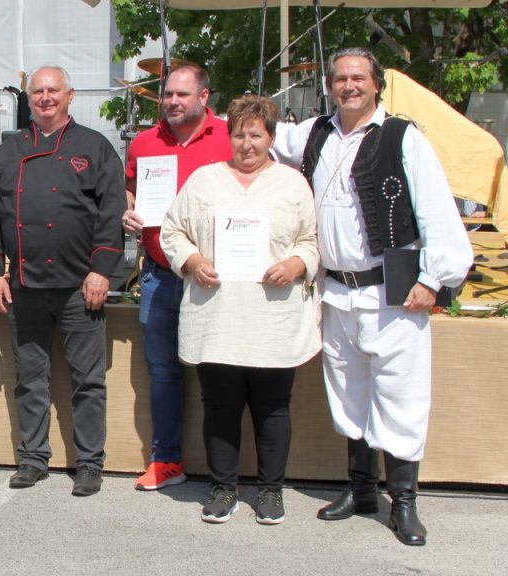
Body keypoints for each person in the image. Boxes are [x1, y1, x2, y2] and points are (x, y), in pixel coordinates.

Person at [273, 47, 472, 545]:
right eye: (340, 78)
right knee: (349, 394)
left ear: (377, 84)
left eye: (358, 78)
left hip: (392, 292)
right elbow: (260, 133)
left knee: (401, 396)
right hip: (337, 292)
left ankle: (403, 503)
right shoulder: (315, 132)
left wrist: (433, 279)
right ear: (329, 86)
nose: (349, 86)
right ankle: (361, 491)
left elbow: (437, 211)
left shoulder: (404, 137)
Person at [161, 95, 320, 524]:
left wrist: (296, 264)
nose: (246, 144)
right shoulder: (204, 181)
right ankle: (222, 488)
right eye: (238, 135)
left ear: (271, 138)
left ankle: (270, 491)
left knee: (273, 408)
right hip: (219, 315)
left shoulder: (292, 184)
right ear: (228, 137)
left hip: (273, 317)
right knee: (220, 406)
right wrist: (193, 260)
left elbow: (310, 239)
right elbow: (173, 231)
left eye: (256, 135)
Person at [0, 65, 126, 497]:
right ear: (29, 98)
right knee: (30, 378)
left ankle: (90, 463)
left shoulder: (94, 147)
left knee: (88, 382)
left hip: (81, 286)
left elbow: (112, 212)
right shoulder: (9, 151)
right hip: (25, 285)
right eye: (38, 91)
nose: (46, 97)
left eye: (53, 90)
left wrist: (102, 270)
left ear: (70, 95)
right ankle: (33, 458)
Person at [122, 62, 232, 491]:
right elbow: (130, 190)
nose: (171, 102)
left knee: (219, 373)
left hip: (214, 278)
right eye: (167, 94)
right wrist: (128, 211)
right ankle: (166, 461)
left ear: (204, 96)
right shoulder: (144, 143)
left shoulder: (230, 136)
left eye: (181, 95)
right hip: (160, 277)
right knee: (163, 373)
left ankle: (225, 472)